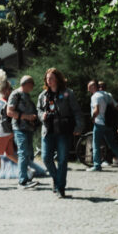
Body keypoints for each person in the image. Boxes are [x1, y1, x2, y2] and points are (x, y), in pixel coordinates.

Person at [37, 68, 85, 198]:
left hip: (63, 131)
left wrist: (79, 127)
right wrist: (43, 116)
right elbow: (39, 110)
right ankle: (57, 180)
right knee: (46, 158)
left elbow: (77, 111)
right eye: (47, 78)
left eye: (51, 78)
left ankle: (60, 188)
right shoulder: (43, 95)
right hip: (48, 131)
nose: (49, 80)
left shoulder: (68, 93)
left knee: (63, 160)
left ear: (57, 79)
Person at [7, 75, 41, 189]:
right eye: (31, 85)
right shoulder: (15, 94)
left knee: (28, 154)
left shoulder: (26, 95)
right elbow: (9, 112)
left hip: (28, 128)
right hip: (19, 128)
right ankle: (22, 181)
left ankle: (27, 177)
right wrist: (27, 117)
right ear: (27, 84)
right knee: (22, 153)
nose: (32, 87)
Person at [86, 80, 118, 171]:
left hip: (99, 123)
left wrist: (92, 118)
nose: (88, 89)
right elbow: (117, 106)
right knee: (113, 144)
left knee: (96, 144)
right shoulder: (107, 95)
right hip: (108, 124)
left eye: (89, 87)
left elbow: (96, 110)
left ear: (93, 87)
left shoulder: (95, 96)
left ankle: (97, 165)